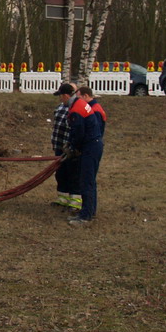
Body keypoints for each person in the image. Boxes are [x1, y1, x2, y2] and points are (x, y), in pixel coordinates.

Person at [67, 85, 105, 226]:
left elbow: (78, 131)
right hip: (93, 145)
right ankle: (89, 211)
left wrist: (73, 147)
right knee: (89, 181)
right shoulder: (81, 105)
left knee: (86, 181)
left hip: (90, 147)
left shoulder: (77, 110)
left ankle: (85, 217)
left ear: (66, 96)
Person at [50, 82, 82, 210]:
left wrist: (72, 147)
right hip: (59, 147)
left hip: (70, 149)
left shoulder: (75, 109)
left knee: (73, 174)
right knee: (60, 174)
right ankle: (62, 198)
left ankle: (74, 202)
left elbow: (75, 130)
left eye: (61, 96)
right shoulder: (60, 107)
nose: (60, 98)